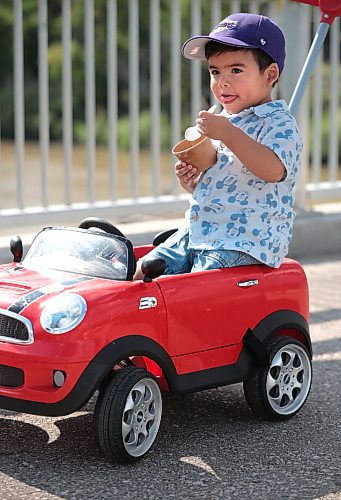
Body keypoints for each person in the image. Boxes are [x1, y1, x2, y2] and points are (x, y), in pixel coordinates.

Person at [134, 12, 302, 279]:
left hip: (242, 241)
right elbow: (223, 175)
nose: (222, 81)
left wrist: (228, 134)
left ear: (269, 75)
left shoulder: (279, 124)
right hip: (199, 231)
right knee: (144, 270)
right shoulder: (224, 120)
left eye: (235, 70)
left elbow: (273, 171)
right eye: (215, 71)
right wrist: (196, 181)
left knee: (195, 286)